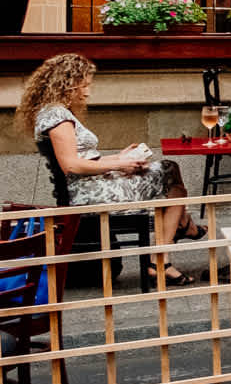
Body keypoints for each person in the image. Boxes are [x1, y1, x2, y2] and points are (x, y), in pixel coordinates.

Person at [17, 53, 202, 286]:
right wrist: (119, 164)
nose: (87, 92)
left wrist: (120, 157)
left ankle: (179, 231)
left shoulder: (55, 113)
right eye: (84, 85)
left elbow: (85, 157)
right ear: (68, 84)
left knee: (171, 176)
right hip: (87, 193)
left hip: (93, 183)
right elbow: (71, 165)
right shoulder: (57, 116)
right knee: (170, 176)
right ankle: (167, 249)